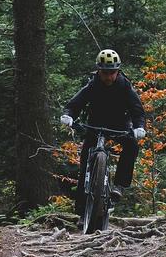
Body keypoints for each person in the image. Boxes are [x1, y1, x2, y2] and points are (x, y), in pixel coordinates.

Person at [59, 49, 147, 212]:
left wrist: (139, 127)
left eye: (112, 72)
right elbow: (74, 104)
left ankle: (119, 185)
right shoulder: (93, 85)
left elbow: (137, 110)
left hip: (119, 126)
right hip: (95, 126)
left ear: (118, 71)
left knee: (132, 146)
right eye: (105, 72)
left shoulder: (124, 85)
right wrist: (68, 116)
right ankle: (80, 212)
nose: (109, 77)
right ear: (99, 70)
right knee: (85, 162)